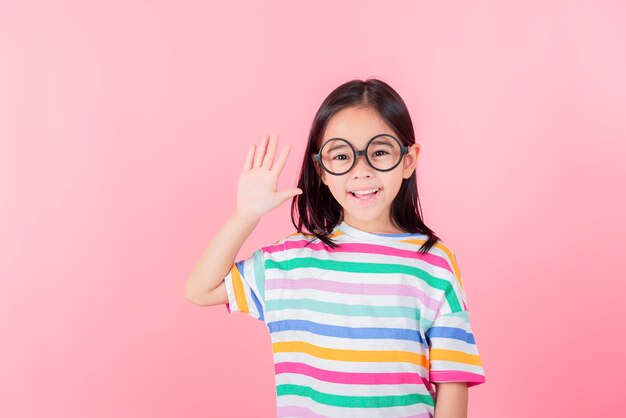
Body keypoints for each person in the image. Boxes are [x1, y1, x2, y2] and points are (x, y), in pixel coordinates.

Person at [185, 78, 486, 418]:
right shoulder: (289, 261)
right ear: (321, 169)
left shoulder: (434, 263)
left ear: (408, 159)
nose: (361, 171)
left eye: (380, 152)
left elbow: (452, 379)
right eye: (341, 155)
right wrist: (245, 216)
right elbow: (201, 289)